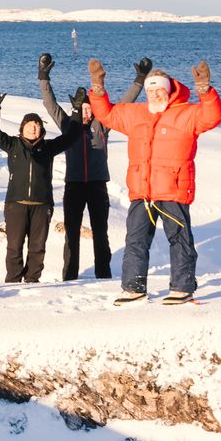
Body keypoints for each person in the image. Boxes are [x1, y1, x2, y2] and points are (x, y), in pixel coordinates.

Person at [89, 58, 221, 304]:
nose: (154, 94)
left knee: (179, 239)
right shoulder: (136, 114)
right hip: (142, 190)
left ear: (169, 89)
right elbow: (106, 114)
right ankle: (134, 288)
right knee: (135, 240)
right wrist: (97, 88)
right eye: (150, 90)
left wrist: (205, 91)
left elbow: (213, 116)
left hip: (173, 190)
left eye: (158, 89)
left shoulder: (187, 113)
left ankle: (182, 288)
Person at [39, 52, 143, 281]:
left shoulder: (102, 124)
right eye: (83, 108)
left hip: (97, 185)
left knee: (100, 232)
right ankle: (70, 276)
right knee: (71, 234)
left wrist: (139, 82)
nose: (87, 112)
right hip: (73, 185)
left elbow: (124, 104)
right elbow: (49, 104)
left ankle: (103, 274)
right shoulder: (67, 124)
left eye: (89, 108)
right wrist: (43, 78)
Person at [0, 84, 72, 285]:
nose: (33, 127)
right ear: (22, 127)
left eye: (37, 124)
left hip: (42, 206)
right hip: (16, 204)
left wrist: (75, 112)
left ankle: (33, 280)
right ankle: (13, 281)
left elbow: (70, 138)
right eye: (29, 124)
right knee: (14, 246)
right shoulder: (13, 145)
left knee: (37, 247)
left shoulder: (48, 148)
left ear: (41, 129)